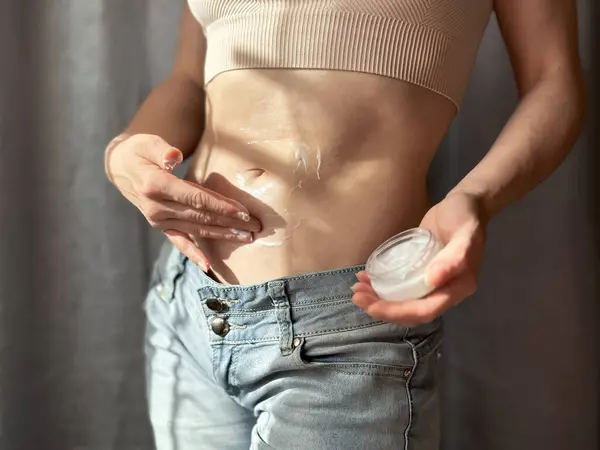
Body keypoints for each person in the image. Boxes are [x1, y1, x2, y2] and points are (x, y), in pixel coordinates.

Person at [104, 1, 584, 449]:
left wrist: (474, 199)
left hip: (344, 334)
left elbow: (553, 80)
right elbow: (189, 78)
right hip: (188, 302)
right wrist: (125, 152)